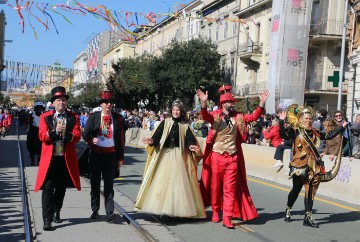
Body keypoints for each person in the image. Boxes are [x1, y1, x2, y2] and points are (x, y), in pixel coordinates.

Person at [196, 85, 269, 229]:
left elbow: (254, 116)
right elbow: (205, 116)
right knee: (216, 187)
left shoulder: (239, 117)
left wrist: (261, 103)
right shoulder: (215, 115)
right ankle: (216, 211)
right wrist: (204, 103)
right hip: (217, 156)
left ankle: (227, 217)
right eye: (230, 102)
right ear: (223, 103)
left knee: (230, 188)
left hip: (233, 158)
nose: (232, 104)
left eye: (233, 102)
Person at [135, 98, 206, 220]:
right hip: (165, 156)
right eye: (174, 109)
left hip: (179, 157)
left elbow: (189, 139)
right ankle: (164, 211)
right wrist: (151, 141)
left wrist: (191, 145)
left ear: (181, 111)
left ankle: (174, 209)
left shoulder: (185, 126)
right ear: (171, 111)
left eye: (178, 110)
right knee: (162, 183)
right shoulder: (165, 122)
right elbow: (157, 136)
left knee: (177, 185)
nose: (176, 112)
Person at [279, 105, 348, 228]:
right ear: (300, 119)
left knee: (310, 192)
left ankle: (308, 216)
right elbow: (284, 135)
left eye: (310, 118)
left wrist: (341, 128)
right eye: (306, 118)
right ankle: (288, 209)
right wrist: (280, 121)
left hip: (313, 166)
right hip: (299, 166)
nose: (308, 121)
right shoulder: (295, 131)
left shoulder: (315, 132)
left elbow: (329, 136)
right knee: (295, 190)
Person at [34, 86, 81, 231]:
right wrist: (54, 132)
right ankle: (47, 219)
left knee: (61, 188)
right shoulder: (45, 117)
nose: (62, 102)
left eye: (64, 100)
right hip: (50, 159)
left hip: (65, 158)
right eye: (59, 100)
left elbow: (77, 135)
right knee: (48, 188)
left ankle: (56, 210)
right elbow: (42, 135)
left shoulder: (74, 117)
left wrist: (67, 134)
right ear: (53, 103)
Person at [83, 90, 125, 222]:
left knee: (109, 184)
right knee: (94, 184)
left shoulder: (117, 118)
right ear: (101, 104)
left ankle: (109, 211)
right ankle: (95, 209)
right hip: (96, 154)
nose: (108, 105)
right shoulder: (93, 117)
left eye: (110, 102)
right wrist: (91, 140)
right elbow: (86, 134)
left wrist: (120, 158)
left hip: (111, 155)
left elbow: (122, 139)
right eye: (106, 102)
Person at [27, 101, 45, 166]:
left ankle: (39, 161)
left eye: (40, 108)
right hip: (33, 131)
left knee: (40, 147)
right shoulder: (32, 115)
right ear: (36, 109)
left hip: (41, 131)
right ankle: (32, 159)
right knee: (31, 145)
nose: (39, 110)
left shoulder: (44, 115)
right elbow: (29, 123)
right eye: (38, 108)